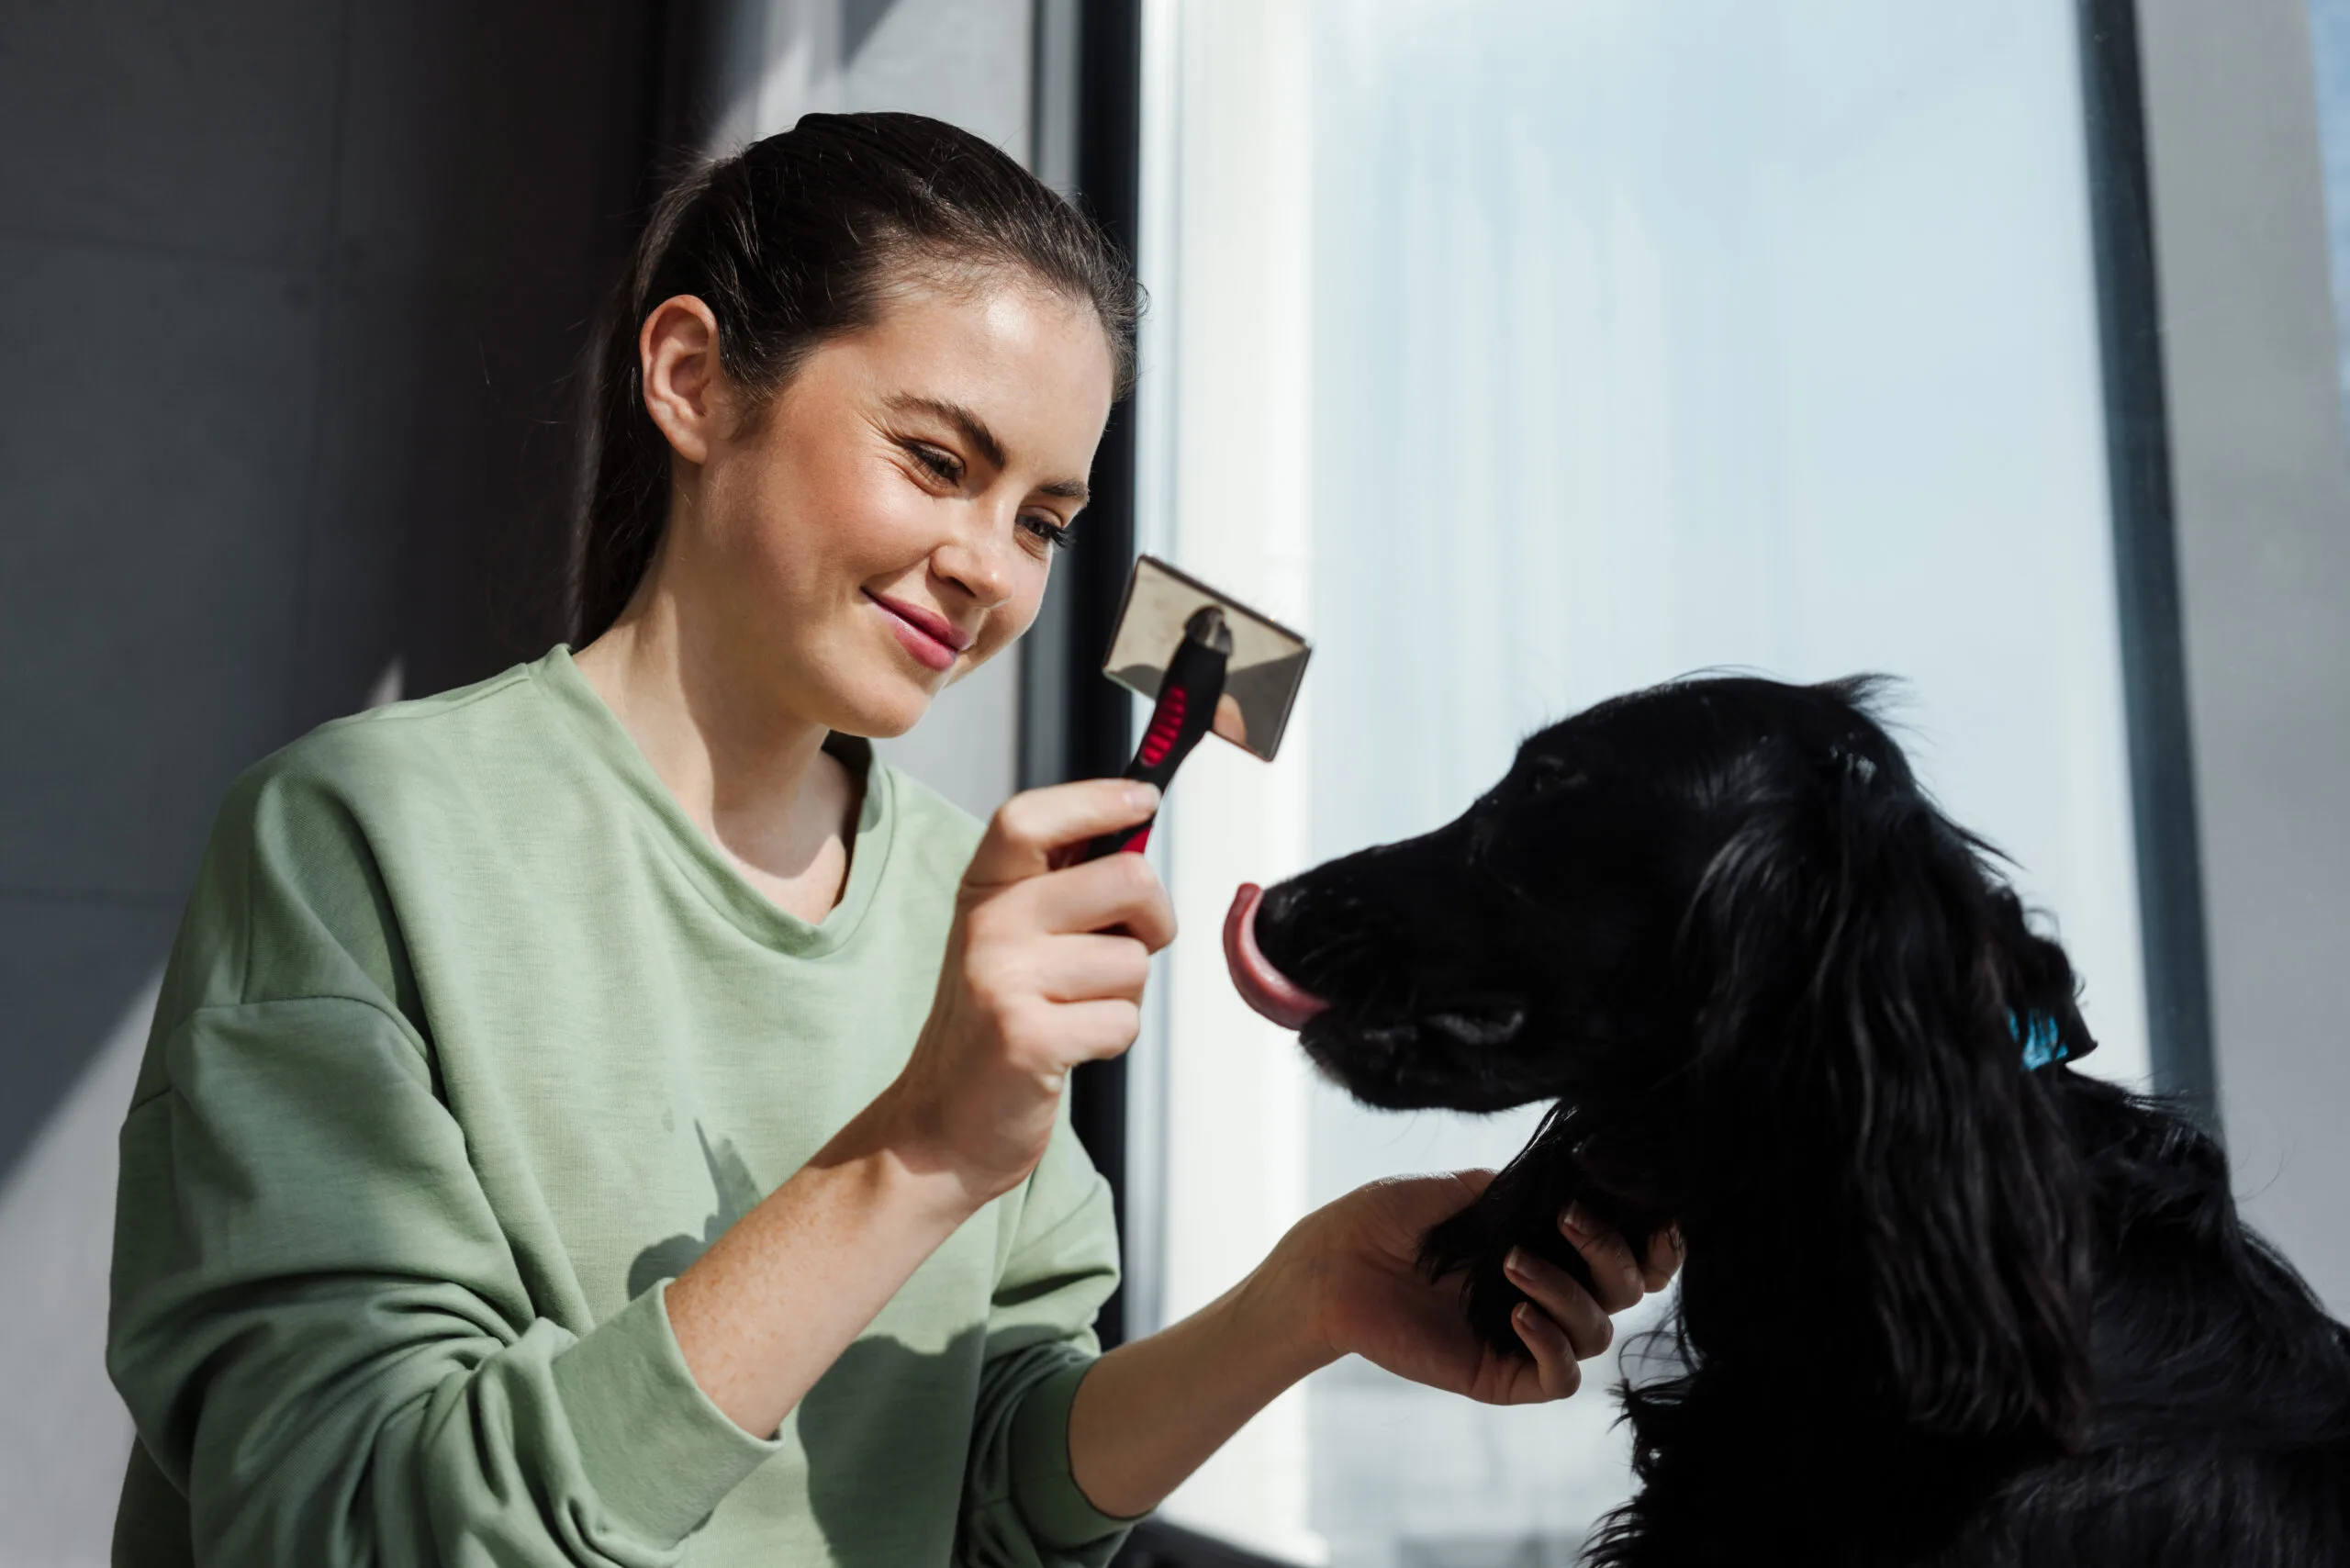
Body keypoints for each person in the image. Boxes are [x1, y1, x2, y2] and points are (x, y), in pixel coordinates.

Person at [105, 113, 1678, 1567]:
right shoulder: (362, 841)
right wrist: (917, 1150)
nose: (988, 566)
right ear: (692, 379)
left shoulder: (972, 908)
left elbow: (979, 1489)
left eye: (1045, 521)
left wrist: (1304, 1301)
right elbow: (348, 1523)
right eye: (938, 461)